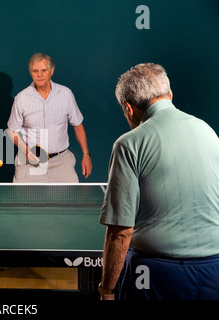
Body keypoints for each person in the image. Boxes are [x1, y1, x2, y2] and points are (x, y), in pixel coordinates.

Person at [99, 63, 219, 300]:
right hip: (214, 268)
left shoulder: (128, 144)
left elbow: (120, 231)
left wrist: (107, 290)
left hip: (158, 272)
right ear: (170, 95)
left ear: (129, 109)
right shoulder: (207, 131)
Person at [7, 53, 92, 183]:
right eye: (35, 71)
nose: (39, 75)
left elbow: (77, 125)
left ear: (52, 71)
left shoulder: (65, 94)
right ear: (31, 73)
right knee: (23, 202)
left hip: (61, 163)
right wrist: (25, 150)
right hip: (30, 163)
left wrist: (86, 155)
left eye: (43, 70)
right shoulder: (21, 99)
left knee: (71, 202)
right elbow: (12, 130)